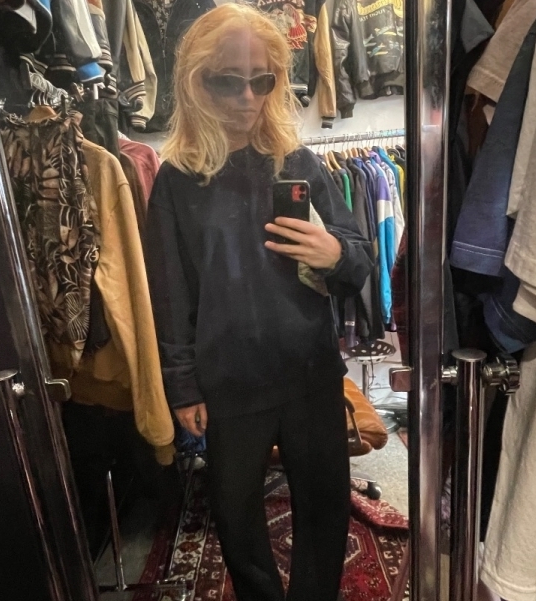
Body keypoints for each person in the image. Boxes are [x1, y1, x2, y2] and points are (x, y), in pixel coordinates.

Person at [145, 4, 374, 600]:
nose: (247, 98)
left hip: (309, 372)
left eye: (261, 80)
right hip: (231, 382)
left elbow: (359, 262)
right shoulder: (177, 180)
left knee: (324, 506)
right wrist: (183, 385)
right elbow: (170, 292)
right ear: (196, 81)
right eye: (228, 80)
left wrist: (334, 253)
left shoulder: (298, 163)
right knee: (236, 516)